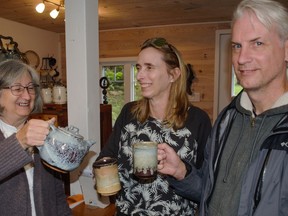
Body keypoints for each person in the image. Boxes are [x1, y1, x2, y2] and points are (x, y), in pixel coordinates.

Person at [157, 0, 288, 215]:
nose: (242, 58)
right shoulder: (227, 119)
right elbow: (209, 192)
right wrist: (181, 172)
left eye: (257, 43)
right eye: (237, 46)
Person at [97, 37, 212, 215]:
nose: (140, 75)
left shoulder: (198, 120)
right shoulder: (129, 113)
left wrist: (181, 171)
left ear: (173, 75)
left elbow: (207, 188)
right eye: (139, 67)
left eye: (149, 67)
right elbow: (106, 158)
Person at [0, 59, 71, 216]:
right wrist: (20, 141)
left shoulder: (44, 135)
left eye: (31, 88)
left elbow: (57, 197)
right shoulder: (28, 135)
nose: (27, 95)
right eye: (17, 88)